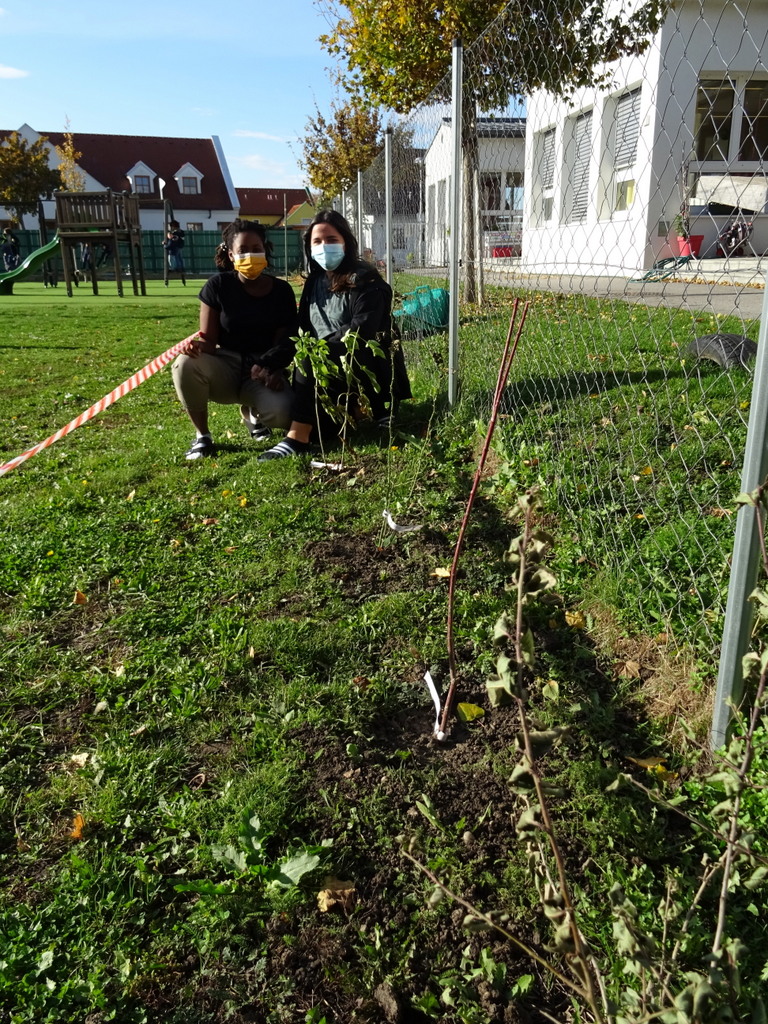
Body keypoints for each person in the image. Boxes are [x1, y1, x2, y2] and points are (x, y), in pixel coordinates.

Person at [259, 210, 411, 461]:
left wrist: (315, 350)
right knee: (325, 432)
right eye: (317, 241)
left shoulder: (366, 280)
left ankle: (297, 438)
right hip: (326, 370)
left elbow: (361, 331)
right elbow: (302, 329)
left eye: (331, 239)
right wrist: (270, 360)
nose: (324, 246)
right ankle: (327, 420)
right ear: (309, 247)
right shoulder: (314, 282)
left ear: (346, 242)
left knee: (308, 359)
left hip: (360, 365)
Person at [171, 219, 298, 460]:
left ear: (265, 249)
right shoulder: (217, 286)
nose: (250, 254)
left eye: (256, 248)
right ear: (231, 255)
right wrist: (194, 347)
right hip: (225, 366)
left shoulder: (282, 291)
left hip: (262, 369)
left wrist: (276, 369)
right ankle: (202, 437)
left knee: (284, 413)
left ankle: (253, 414)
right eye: (243, 250)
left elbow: (284, 342)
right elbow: (208, 341)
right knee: (184, 365)